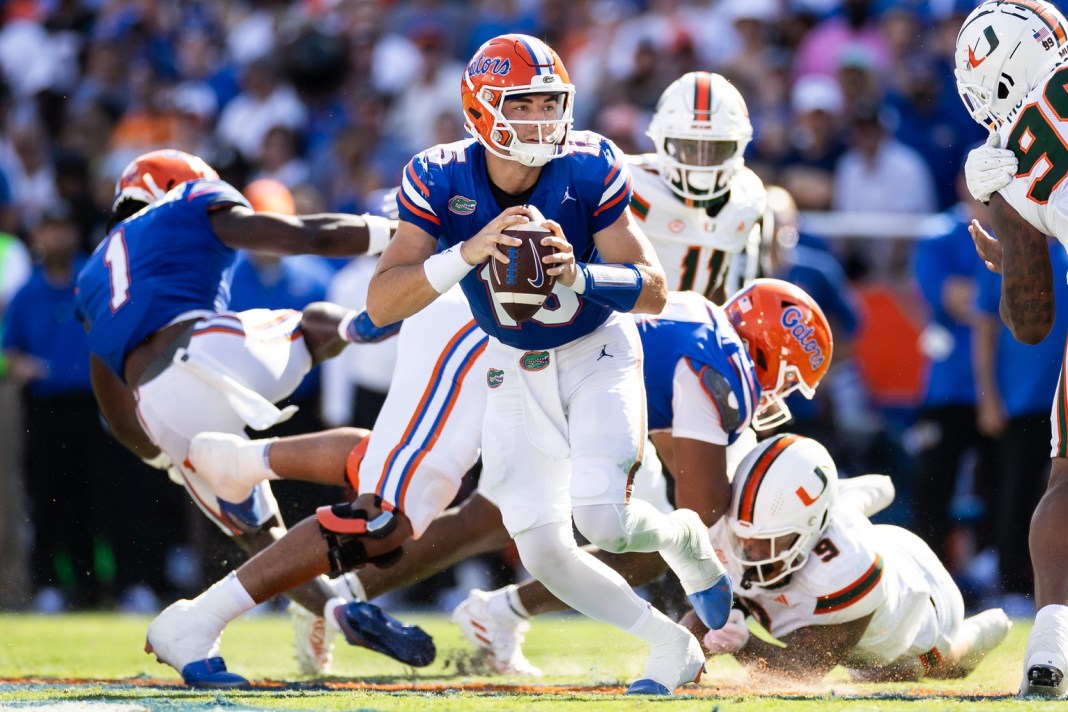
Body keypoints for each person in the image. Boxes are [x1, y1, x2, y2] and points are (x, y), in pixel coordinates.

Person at [174, 278, 833, 682]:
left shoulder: (697, 318)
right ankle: (221, 579)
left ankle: (251, 471)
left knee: (476, 514)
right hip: (496, 337)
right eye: (787, 377)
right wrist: (722, 577)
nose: (780, 395)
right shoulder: (720, 363)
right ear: (770, 349)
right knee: (401, 499)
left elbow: (657, 430)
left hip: (538, 369)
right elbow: (701, 500)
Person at [364, 32, 732, 695]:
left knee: (603, 520)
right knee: (539, 546)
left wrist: (582, 274)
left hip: (598, 351)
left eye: (548, 104)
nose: (539, 121)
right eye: (522, 105)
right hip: (512, 362)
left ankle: (683, 541)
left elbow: (652, 288)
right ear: (480, 110)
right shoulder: (440, 175)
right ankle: (668, 645)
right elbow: (385, 299)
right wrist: (466, 254)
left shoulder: (589, 163)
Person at [73, 148, 403, 685]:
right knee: (308, 326)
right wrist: (397, 233)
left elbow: (111, 401)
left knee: (262, 539)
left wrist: (162, 454)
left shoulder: (92, 274)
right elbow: (307, 237)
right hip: (203, 349)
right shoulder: (187, 200)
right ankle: (358, 329)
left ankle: (337, 613)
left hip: (155, 407)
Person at [954, 0, 1068, 697]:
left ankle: (1050, 646)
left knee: (1067, 481)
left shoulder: (1005, 159)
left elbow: (1030, 322)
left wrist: (1020, 237)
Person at [700, 434, 1011, 682]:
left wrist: (741, 644)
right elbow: (706, 618)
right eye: (745, 539)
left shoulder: (846, 570)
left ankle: (981, 630)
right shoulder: (741, 527)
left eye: (767, 542)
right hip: (868, 532)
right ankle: (843, 494)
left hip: (922, 601)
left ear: (811, 528)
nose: (749, 553)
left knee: (892, 672)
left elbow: (798, 672)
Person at [630, 71, 766, 302]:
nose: (703, 164)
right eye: (691, 148)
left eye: (716, 149)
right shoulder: (630, 184)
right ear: (663, 142)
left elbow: (734, 291)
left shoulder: (748, 198)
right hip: (632, 324)